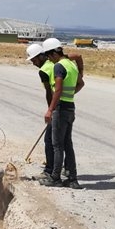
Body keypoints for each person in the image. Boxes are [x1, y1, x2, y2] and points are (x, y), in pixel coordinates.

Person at [26, 41, 84, 181]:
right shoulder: (62, 61)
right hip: (66, 106)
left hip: (58, 109)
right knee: (65, 142)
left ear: (43, 55)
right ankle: (69, 171)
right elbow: (78, 57)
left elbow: (50, 92)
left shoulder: (46, 70)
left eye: (34, 60)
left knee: (52, 141)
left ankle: (51, 172)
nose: (33, 63)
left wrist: (51, 110)